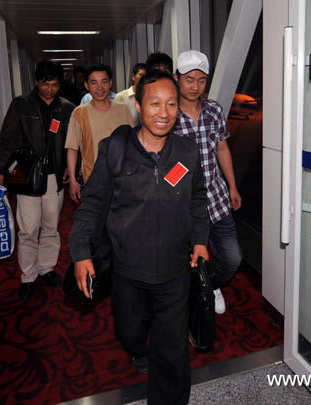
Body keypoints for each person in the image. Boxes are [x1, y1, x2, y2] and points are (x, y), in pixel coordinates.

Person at [69, 70, 210, 405]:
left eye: (172, 104)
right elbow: (90, 205)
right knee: (130, 332)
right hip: (128, 271)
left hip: (175, 272)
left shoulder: (187, 153)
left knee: (172, 350)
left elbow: (197, 199)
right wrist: (80, 253)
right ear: (137, 105)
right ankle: (136, 347)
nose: (164, 112)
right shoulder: (116, 151)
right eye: (155, 103)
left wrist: (201, 240)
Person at [0, 60, 75, 301]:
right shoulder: (21, 105)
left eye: (55, 84)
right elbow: (6, 138)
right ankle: (28, 276)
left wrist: (70, 168)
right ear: (37, 82)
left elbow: (71, 142)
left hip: (54, 176)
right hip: (27, 176)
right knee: (28, 229)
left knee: (51, 226)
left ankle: (46, 268)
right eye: (45, 83)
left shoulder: (67, 108)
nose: (50, 89)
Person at [174, 50, 242, 315]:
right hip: (184, 205)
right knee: (186, 260)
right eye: (189, 79)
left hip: (216, 197)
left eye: (201, 80)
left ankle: (210, 284)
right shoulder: (168, 115)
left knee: (232, 258)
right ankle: (192, 293)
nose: (195, 86)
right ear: (177, 78)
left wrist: (232, 186)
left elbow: (222, 148)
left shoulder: (214, 109)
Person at [65, 64, 136, 203]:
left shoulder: (123, 110)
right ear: (86, 86)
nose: (100, 88)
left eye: (104, 82)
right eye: (94, 83)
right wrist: (72, 180)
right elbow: (72, 148)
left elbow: (134, 142)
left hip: (122, 180)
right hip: (92, 180)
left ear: (110, 83)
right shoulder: (80, 113)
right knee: (95, 222)